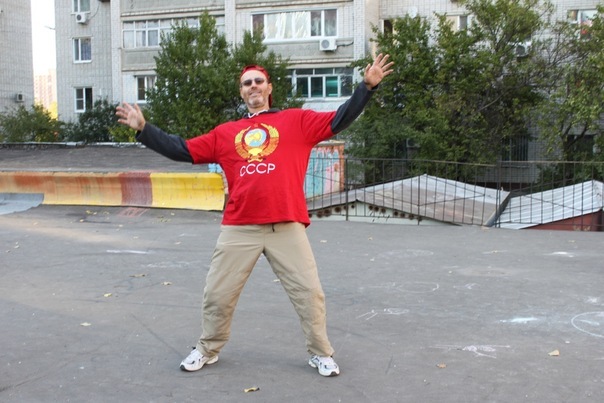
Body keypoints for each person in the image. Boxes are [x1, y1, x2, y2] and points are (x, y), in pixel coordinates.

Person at [116, 54, 394, 377]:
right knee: (217, 295)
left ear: (269, 88)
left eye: (258, 81)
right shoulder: (225, 133)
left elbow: (339, 119)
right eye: (247, 83)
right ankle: (208, 348)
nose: (253, 86)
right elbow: (182, 149)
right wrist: (144, 129)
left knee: (309, 294)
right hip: (240, 226)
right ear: (242, 92)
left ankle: (321, 353)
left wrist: (366, 87)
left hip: (286, 225)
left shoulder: (296, 121)